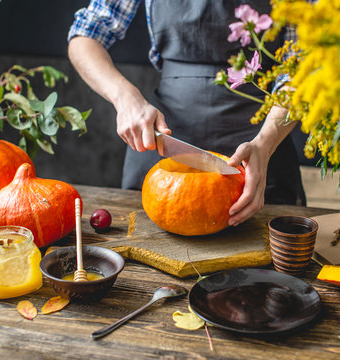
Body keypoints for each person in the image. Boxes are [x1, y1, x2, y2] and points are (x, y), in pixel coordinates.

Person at [67, 0, 306, 227]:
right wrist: (125, 97)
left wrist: (265, 144)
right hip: (163, 136)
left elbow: (302, 67)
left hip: (261, 141)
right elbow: (85, 35)